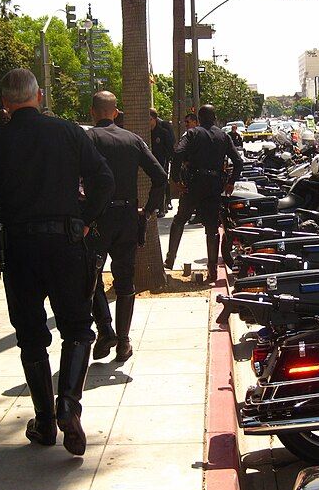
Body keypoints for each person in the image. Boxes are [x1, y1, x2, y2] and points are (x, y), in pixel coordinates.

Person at [0, 69, 113, 456]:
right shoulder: (68, 132)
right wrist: (85, 220)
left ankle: (45, 421)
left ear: (5, 104)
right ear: (39, 96)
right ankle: (68, 405)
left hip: (18, 249)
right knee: (77, 328)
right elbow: (104, 179)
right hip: (65, 243)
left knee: (31, 336)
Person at [88, 93, 166, 362]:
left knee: (91, 278)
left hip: (97, 218)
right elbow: (160, 177)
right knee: (124, 281)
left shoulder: (87, 140)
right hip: (127, 215)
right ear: (116, 112)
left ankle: (106, 330)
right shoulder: (133, 140)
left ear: (92, 112)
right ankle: (123, 341)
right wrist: (148, 210)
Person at [166, 104, 243, 282]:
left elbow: (177, 154)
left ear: (199, 119)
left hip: (194, 184)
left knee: (180, 220)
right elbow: (238, 162)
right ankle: (213, 270)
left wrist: (176, 180)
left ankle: (170, 259)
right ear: (214, 118)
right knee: (212, 228)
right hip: (215, 184)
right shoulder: (223, 136)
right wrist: (231, 182)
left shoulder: (192, 134)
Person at [149, 108, 175, 217]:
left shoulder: (163, 130)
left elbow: (169, 145)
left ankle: (162, 206)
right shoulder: (148, 131)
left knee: (162, 182)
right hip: (152, 160)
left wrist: (169, 159)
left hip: (162, 160)